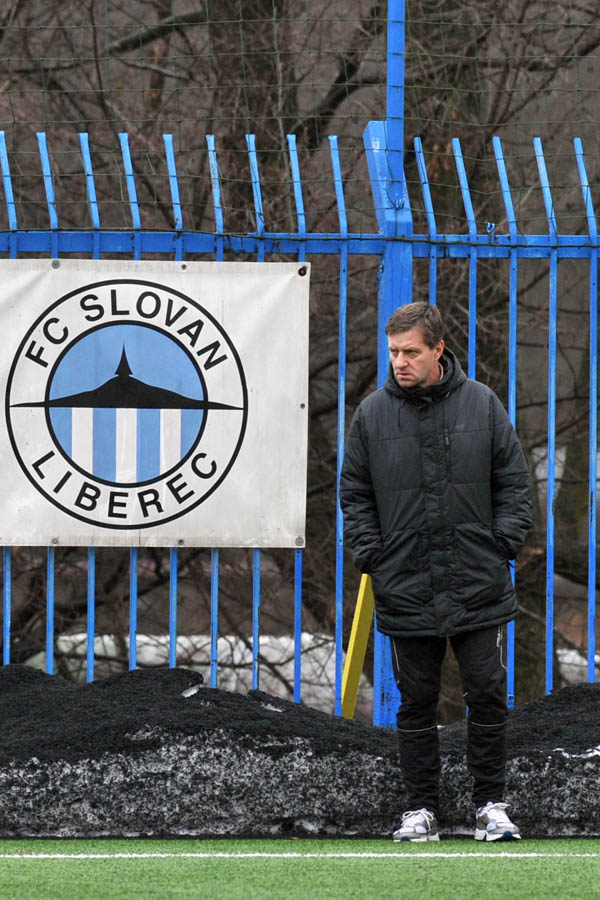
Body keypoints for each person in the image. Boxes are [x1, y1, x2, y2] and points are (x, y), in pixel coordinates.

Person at [340, 301, 532, 842]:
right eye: (393, 352)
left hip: (478, 579)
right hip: (405, 581)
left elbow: (515, 483)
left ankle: (490, 805)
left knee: (487, 692)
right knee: (415, 700)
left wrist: (501, 544)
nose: (400, 362)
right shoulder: (372, 414)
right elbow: (355, 495)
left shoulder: (482, 404)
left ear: (438, 350)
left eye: (411, 352)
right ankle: (419, 809)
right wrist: (374, 555)